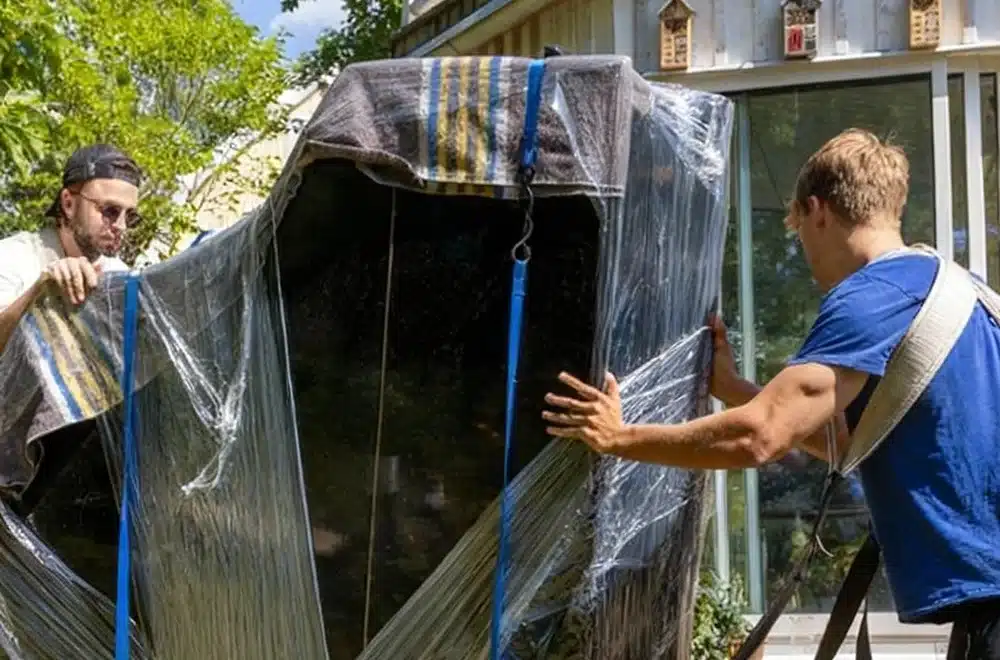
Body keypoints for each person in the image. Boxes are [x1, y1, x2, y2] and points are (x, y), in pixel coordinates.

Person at [542, 129, 1000, 657]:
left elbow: (762, 438)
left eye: (799, 232)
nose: (805, 254)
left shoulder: (873, 297)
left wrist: (619, 437)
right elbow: (855, 443)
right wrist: (737, 391)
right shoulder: (960, 295)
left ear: (818, 210)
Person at [0, 144, 141, 354]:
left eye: (129, 215)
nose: (121, 226)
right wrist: (39, 293)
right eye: (110, 210)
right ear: (68, 203)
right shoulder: (14, 256)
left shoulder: (119, 275)